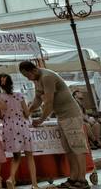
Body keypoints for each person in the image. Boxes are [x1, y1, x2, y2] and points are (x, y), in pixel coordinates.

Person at [20, 60, 89, 188]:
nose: (28, 78)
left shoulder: (47, 77)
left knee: (78, 148)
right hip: (62, 117)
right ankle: (73, 178)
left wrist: (41, 119)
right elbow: (37, 100)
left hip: (71, 115)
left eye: (27, 75)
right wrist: (27, 112)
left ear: (33, 70)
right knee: (69, 149)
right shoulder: (37, 79)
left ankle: (82, 180)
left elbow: (49, 102)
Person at [0, 73, 38, 189]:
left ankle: (11, 178)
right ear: (11, 83)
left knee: (16, 156)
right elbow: (27, 113)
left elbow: (1, 116)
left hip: (9, 128)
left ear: (0, 84)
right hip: (21, 126)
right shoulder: (19, 95)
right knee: (29, 156)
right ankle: (34, 184)